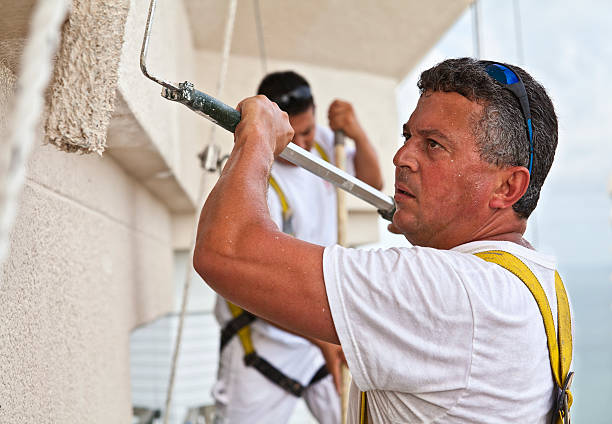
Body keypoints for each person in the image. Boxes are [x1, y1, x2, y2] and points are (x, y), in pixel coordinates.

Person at [195, 58, 574, 423]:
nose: (401, 156)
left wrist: (256, 139)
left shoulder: (449, 292)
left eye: (434, 145)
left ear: (508, 186)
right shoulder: (535, 283)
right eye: (408, 136)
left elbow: (225, 250)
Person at [211, 70, 383, 424]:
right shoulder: (254, 177)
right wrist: (324, 340)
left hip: (318, 335)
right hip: (262, 345)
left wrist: (356, 133)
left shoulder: (321, 144)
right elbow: (252, 285)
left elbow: (373, 184)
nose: (304, 143)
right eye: (295, 134)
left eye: (309, 130)